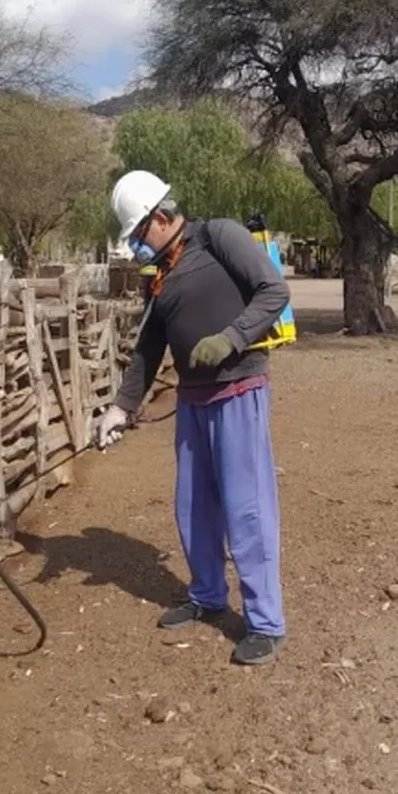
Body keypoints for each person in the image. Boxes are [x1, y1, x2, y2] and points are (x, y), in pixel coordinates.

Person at [98, 170, 289, 666]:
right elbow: (147, 349)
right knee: (193, 506)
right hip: (192, 400)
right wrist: (122, 407)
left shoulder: (218, 235)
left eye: (139, 234)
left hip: (238, 389)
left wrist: (231, 338)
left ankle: (264, 622)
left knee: (246, 507)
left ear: (160, 219)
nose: (137, 246)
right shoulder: (159, 273)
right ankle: (206, 595)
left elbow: (274, 292)